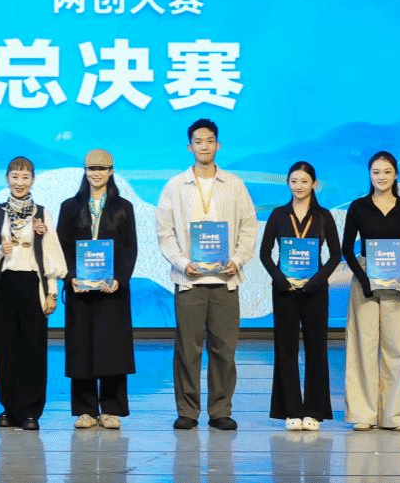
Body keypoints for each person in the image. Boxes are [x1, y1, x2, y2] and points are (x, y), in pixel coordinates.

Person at [156, 119, 257, 431]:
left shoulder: (234, 184)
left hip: (226, 281)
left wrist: (237, 260)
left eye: (209, 141)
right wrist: (181, 261)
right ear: (190, 147)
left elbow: (248, 227)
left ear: (218, 145)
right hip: (189, 280)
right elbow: (165, 231)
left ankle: (220, 410)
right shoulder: (175, 186)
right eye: (198, 141)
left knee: (224, 348)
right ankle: (187, 410)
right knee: (188, 349)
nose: (204, 146)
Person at [257, 161, 341, 431]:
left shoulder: (323, 216)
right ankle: (290, 410)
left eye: (304, 181)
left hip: (315, 291)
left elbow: (335, 256)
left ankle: (314, 411)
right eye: (294, 181)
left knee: (316, 349)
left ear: (314, 184)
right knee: (286, 349)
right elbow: (265, 254)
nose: (299, 186)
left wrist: (316, 281)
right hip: (285, 292)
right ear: (288, 183)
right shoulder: (278, 215)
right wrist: (280, 280)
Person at [58, 148, 137, 430]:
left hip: (111, 290)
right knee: (82, 348)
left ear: (111, 171)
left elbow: (129, 248)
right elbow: (62, 247)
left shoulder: (123, 207)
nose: (96, 173)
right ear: (85, 171)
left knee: (111, 348)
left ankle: (112, 409)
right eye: (91, 168)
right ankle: (85, 410)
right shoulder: (70, 206)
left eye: (102, 169)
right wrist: (70, 278)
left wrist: (119, 279)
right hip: (80, 290)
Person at [0, 156, 66, 431]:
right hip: (4, 285)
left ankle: (30, 410)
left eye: (25, 177)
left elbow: (51, 255)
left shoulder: (42, 213)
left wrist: (51, 292)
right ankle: (9, 408)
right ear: (6, 178)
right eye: (14, 176)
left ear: (33, 180)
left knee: (33, 348)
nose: (19, 182)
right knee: (6, 349)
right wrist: (1, 250)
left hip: (33, 285)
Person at [341, 150, 400, 432]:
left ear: (396, 174)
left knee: (397, 348)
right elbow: (346, 247)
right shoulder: (358, 207)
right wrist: (363, 279)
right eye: (376, 172)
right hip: (366, 278)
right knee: (363, 346)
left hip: (397, 280)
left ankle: (394, 415)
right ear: (369, 175)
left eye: (387, 172)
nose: (381, 177)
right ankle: (363, 413)